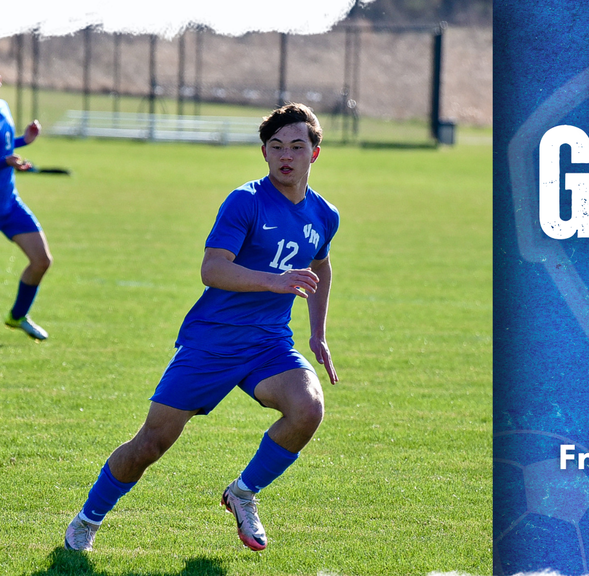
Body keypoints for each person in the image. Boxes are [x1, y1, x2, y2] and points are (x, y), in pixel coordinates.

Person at [63, 103, 340, 552]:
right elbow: (212, 269)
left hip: (269, 344)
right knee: (151, 443)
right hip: (212, 341)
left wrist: (317, 333)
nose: (286, 155)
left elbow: (322, 268)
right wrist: (274, 281)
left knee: (308, 409)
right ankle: (87, 519)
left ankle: (243, 493)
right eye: (275, 147)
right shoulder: (246, 201)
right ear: (264, 154)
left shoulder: (324, 215)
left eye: (296, 146)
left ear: (315, 153)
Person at [0, 74, 53, 340]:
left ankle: (18, 315)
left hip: (8, 203)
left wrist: (24, 141)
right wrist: (4, 162)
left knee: (41, 261)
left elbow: (5, 148)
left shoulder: (3, 106)